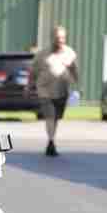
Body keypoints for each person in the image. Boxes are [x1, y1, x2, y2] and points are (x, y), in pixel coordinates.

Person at [28, 25, 79, 157]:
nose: (60, 40)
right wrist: (29, 86)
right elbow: (33, 71)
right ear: (52, 38)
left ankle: (51, 139)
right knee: (50, 116)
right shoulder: (42, 54)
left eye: (62, 38)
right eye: (58, 38)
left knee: (56, 118)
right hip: (45, 91)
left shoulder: (70, 53)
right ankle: (51, 142)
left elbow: (74, 70)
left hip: (62, 91)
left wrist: (77, 83)